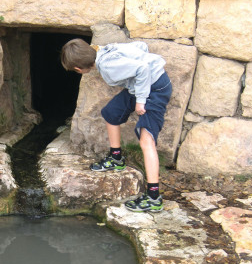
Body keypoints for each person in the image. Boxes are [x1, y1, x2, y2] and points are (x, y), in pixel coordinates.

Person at [60, 38, 172, 213]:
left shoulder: (107, 67)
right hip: (143, 85)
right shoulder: (105, 50)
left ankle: (153, 197)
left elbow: (142, 69)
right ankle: (116, 158)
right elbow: (141, 47)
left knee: (146, 141)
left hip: (155, 89)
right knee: (111, 113)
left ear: (78, 69)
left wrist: (141, 100)